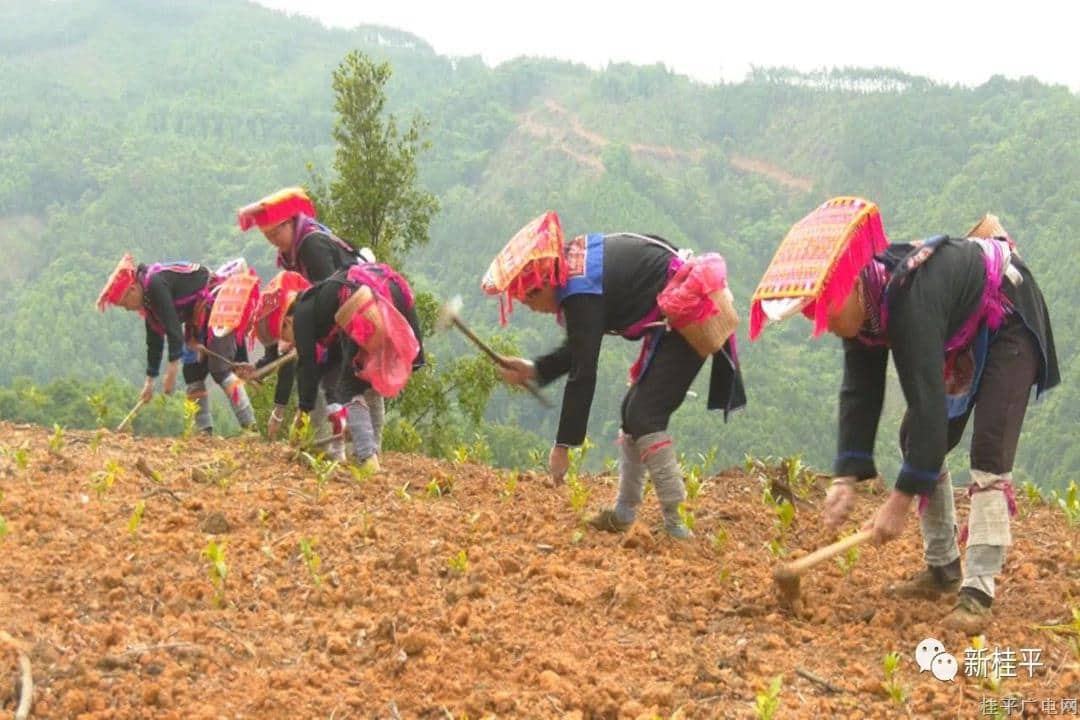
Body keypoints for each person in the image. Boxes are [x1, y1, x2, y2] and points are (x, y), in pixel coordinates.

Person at [749, 199, 1058, 632]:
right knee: (916, 436)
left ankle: (977, 592)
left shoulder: (908, 301)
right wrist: (846, 476)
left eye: (827, 311)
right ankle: (943, 567)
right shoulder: (865, 306)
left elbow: (930, 404)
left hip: (1008, 314)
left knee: (989, 449)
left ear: (850, 287)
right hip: (961, 326)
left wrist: (898, 502)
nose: (826, 324)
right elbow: (859, 390)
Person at [484, 212, 745, 539]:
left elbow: (584, 372)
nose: (531, 308)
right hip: (671, 312)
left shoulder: (579, 294)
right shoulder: (573, 272)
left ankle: (677, 522)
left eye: (527, 300)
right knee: (631, 412)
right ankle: (624, 512)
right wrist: (535, 369)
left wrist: (562, 445)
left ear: (544, 285)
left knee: (645, 416)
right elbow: (581, 347)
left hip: (690, 311)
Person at [236, 187, 383, 442]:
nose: (273, 240)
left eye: (276, 232)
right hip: (329, 321)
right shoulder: (289, 259)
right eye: (267, 236)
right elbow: (286, 317)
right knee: (315, 375)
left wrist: (304, 338)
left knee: (359, 380)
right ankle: (326, 448)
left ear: (291, 222)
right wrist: (263, 366)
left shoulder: (311, 246)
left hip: (354, 313)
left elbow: (331, 297)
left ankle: (367, 449)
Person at [253, 262, 424, 468]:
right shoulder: (321, 302)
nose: (291, 342)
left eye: (286, 335)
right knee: (358, 382)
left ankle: (368, 460)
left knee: (349, 390)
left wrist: (303, 410)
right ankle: (370, 449)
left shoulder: (303, 314)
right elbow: (333, 361)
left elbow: (308, 366)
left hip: (363, 303)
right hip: (390, 294)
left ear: (288, 322)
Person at [97, 253, 257, 434]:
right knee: (192, 372)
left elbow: (173, 329)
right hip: (197, 316)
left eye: (124, 302)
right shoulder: (149, 301)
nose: (127, 308)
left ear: (133, 289)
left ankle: (250, 427)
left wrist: (172, 369)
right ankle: (204, 432)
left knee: (219, 369)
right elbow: (154, 341)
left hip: (216, 302)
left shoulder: (154, 283)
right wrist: (149, 381)